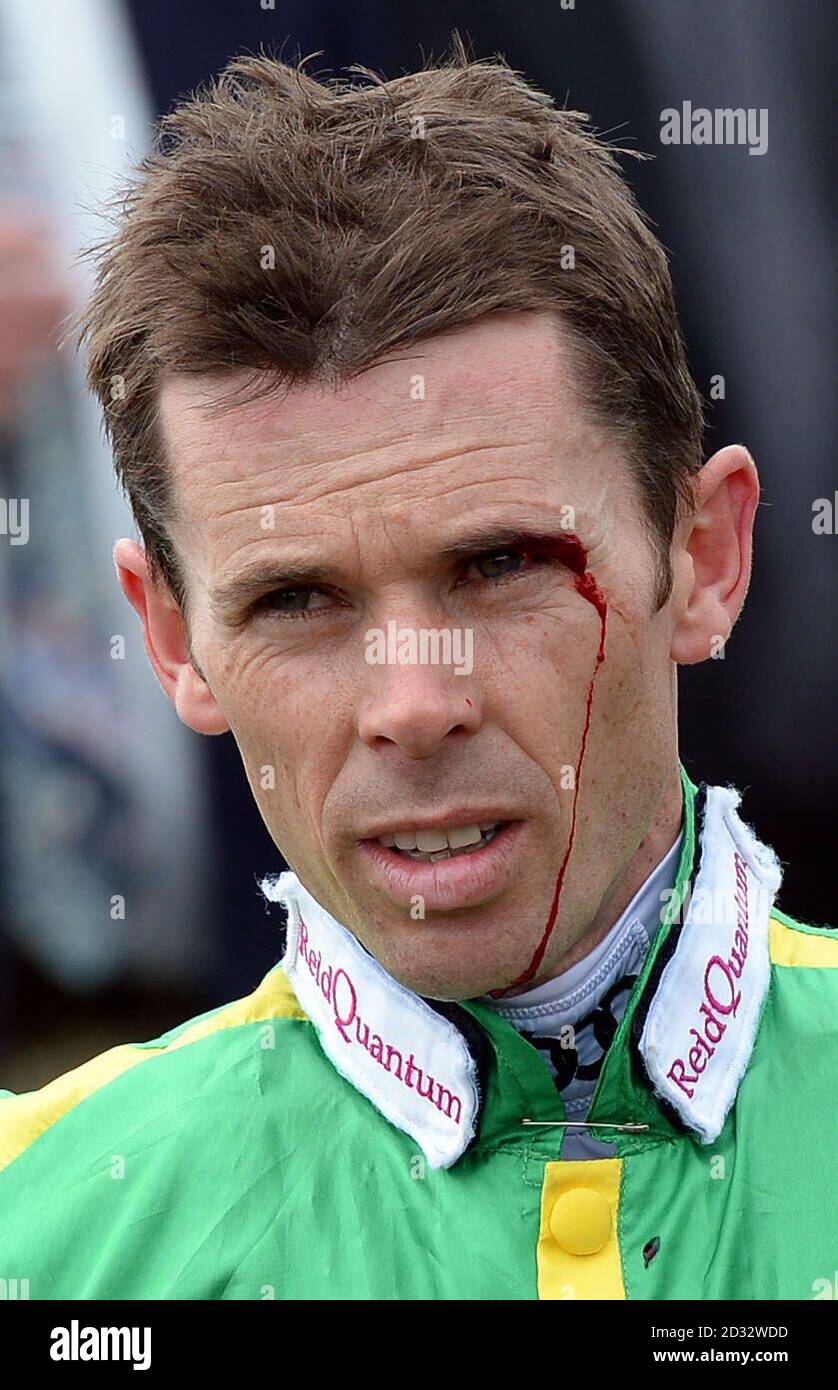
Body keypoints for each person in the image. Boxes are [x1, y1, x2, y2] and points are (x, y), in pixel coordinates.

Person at [1, 46, 835, 1302]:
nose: (413, 705)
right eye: (297, 601)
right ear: (173, 641)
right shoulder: (44, 1230)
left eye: (498, 564)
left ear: (706, 554)